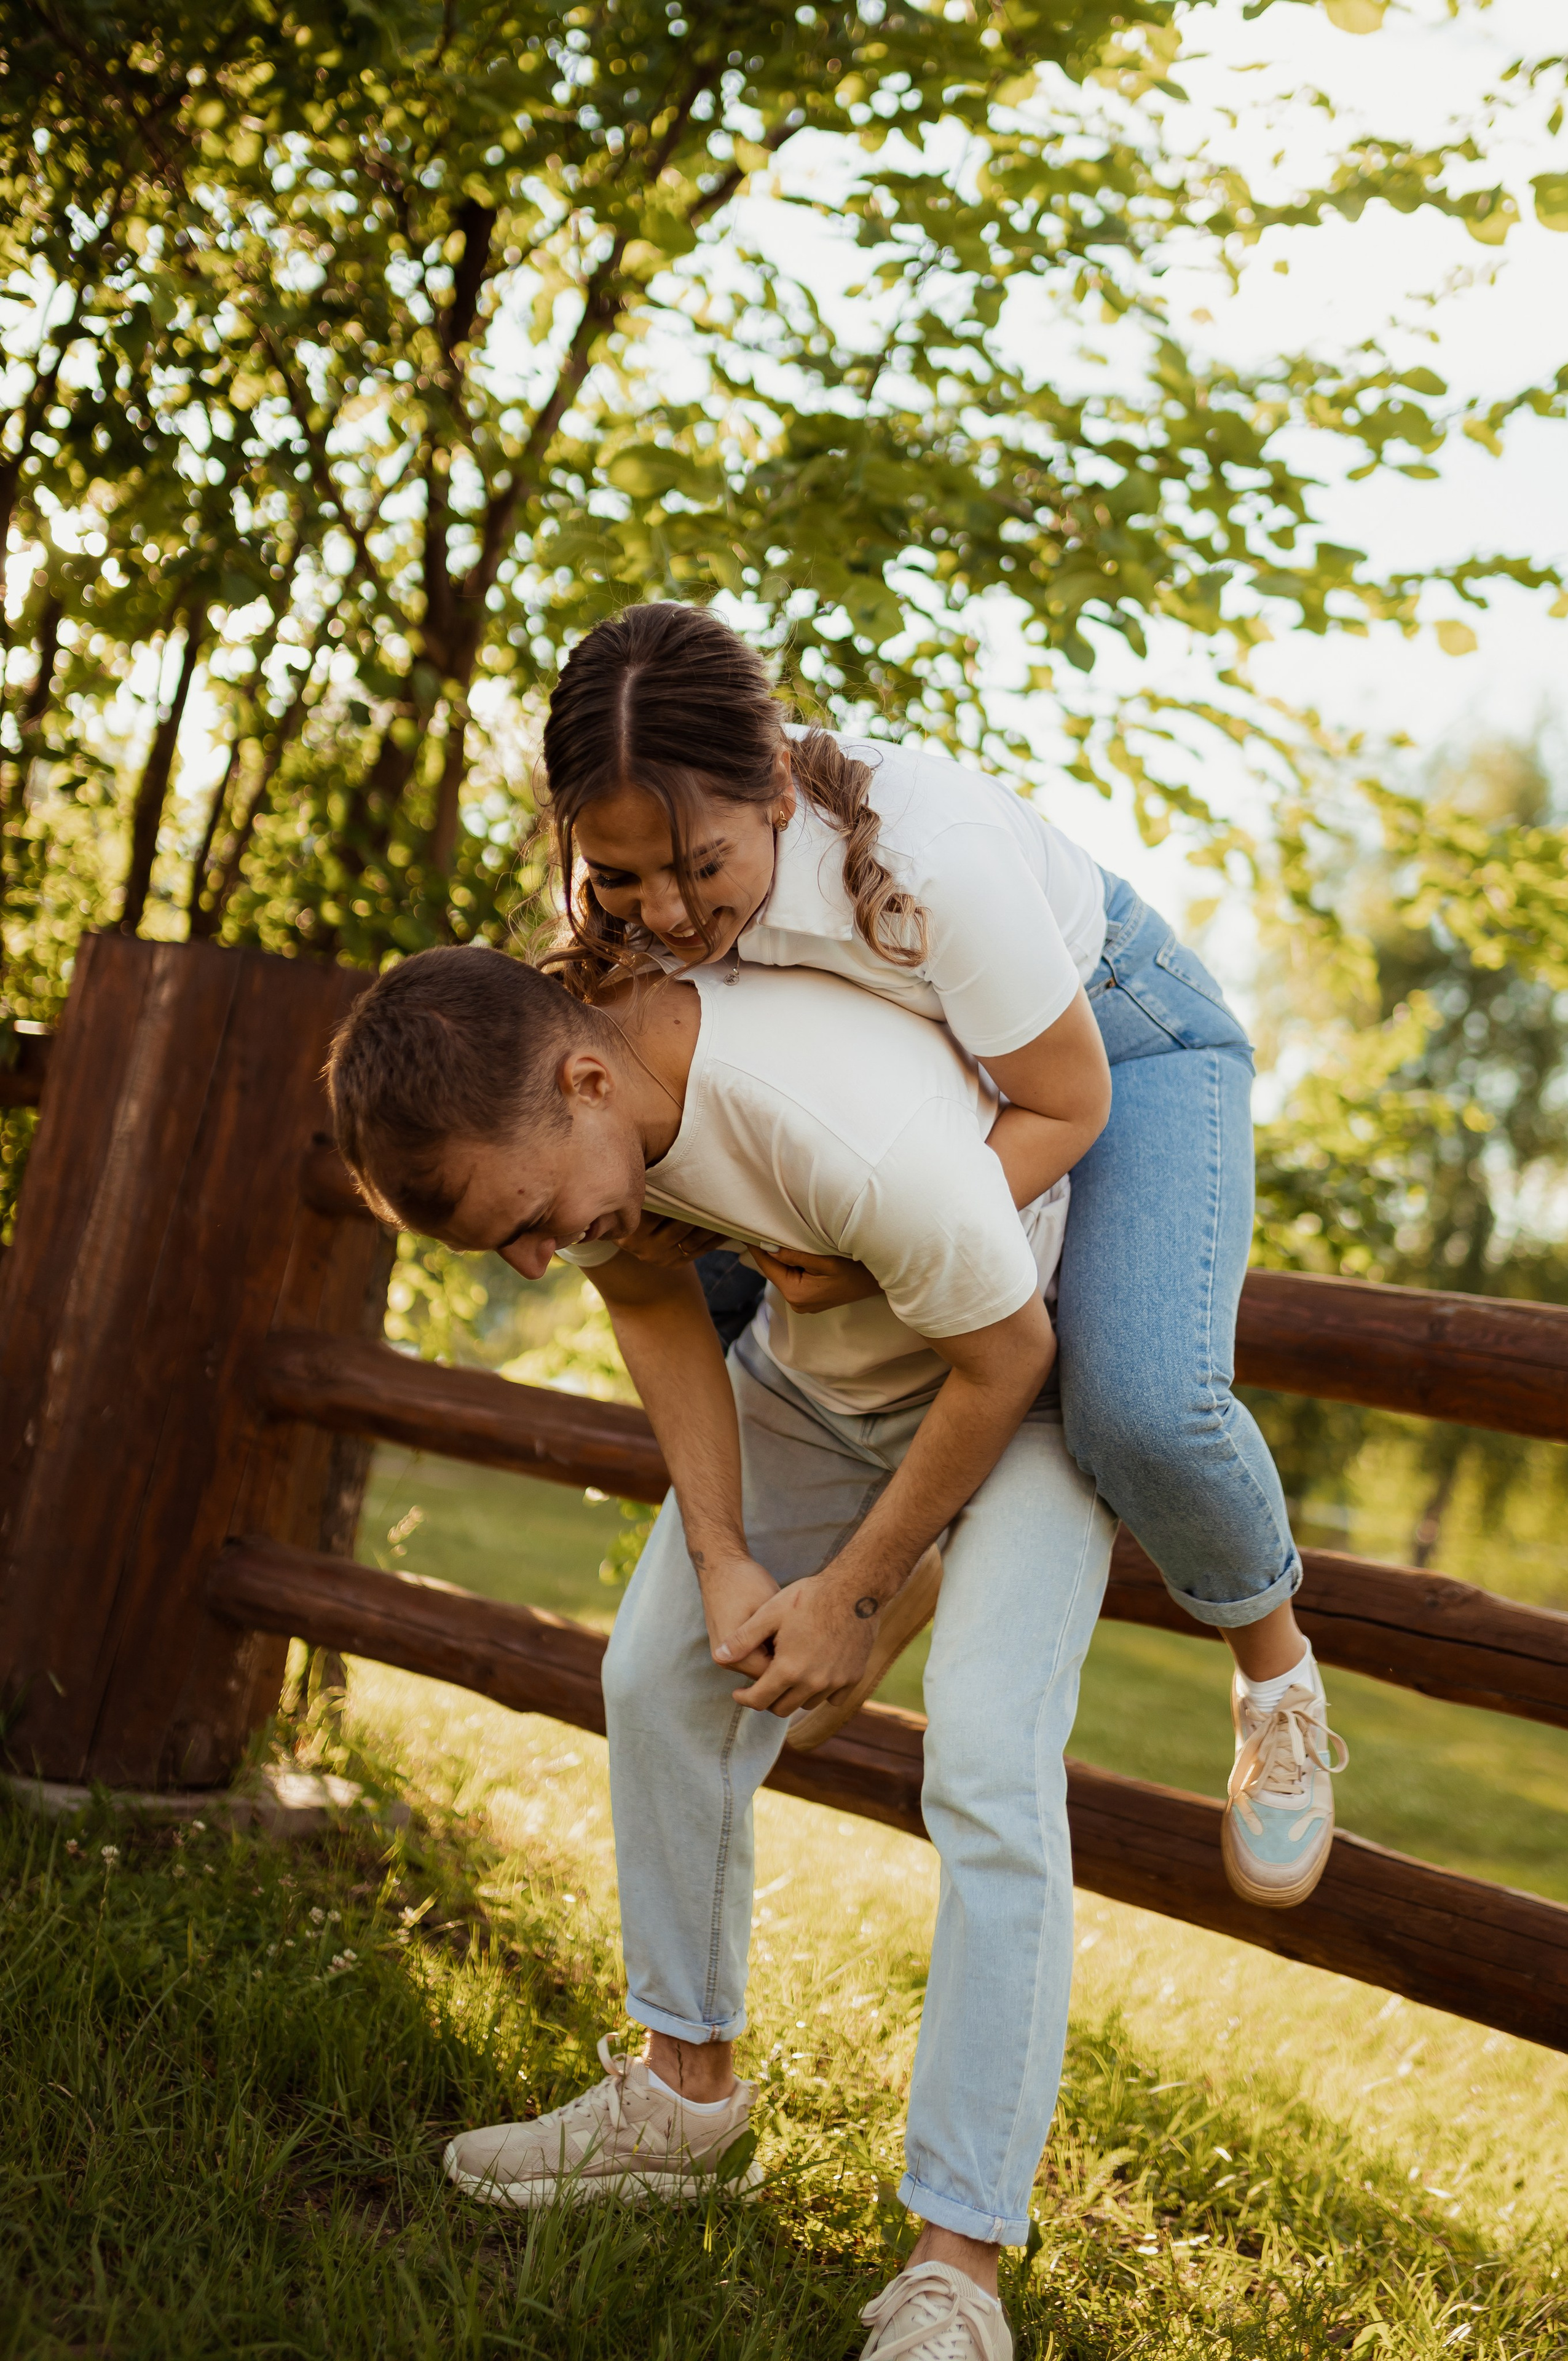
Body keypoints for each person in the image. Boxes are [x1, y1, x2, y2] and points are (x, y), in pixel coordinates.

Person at [329, 943, 1117, 2361]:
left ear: (583, 1082)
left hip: (1028, 1384)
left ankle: (957, 2270)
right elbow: (645, 1297)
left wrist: (857, 1594)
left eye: (522, 1221)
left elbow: (1005, 1357)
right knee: (657, 1677)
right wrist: (724, 1560)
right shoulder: (600, 1126)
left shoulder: (813, 1112)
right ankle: (683, 2095)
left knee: (991, 1769)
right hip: (818, 1388)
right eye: (505, 1248)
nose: (529, 1257)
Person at [536, 600, 1345, 1912]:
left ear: (778, 791)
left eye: (698, 866)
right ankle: (900, 1558)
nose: (666, 913)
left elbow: (1062, 1106)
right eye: (621, 877)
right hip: (914, 1086)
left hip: (1107, 1048)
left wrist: (873, 1262)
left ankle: (1275, 1674)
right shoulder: (632, 884)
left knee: (1134, 1399)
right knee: (752, 1290)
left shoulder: (925, 863)